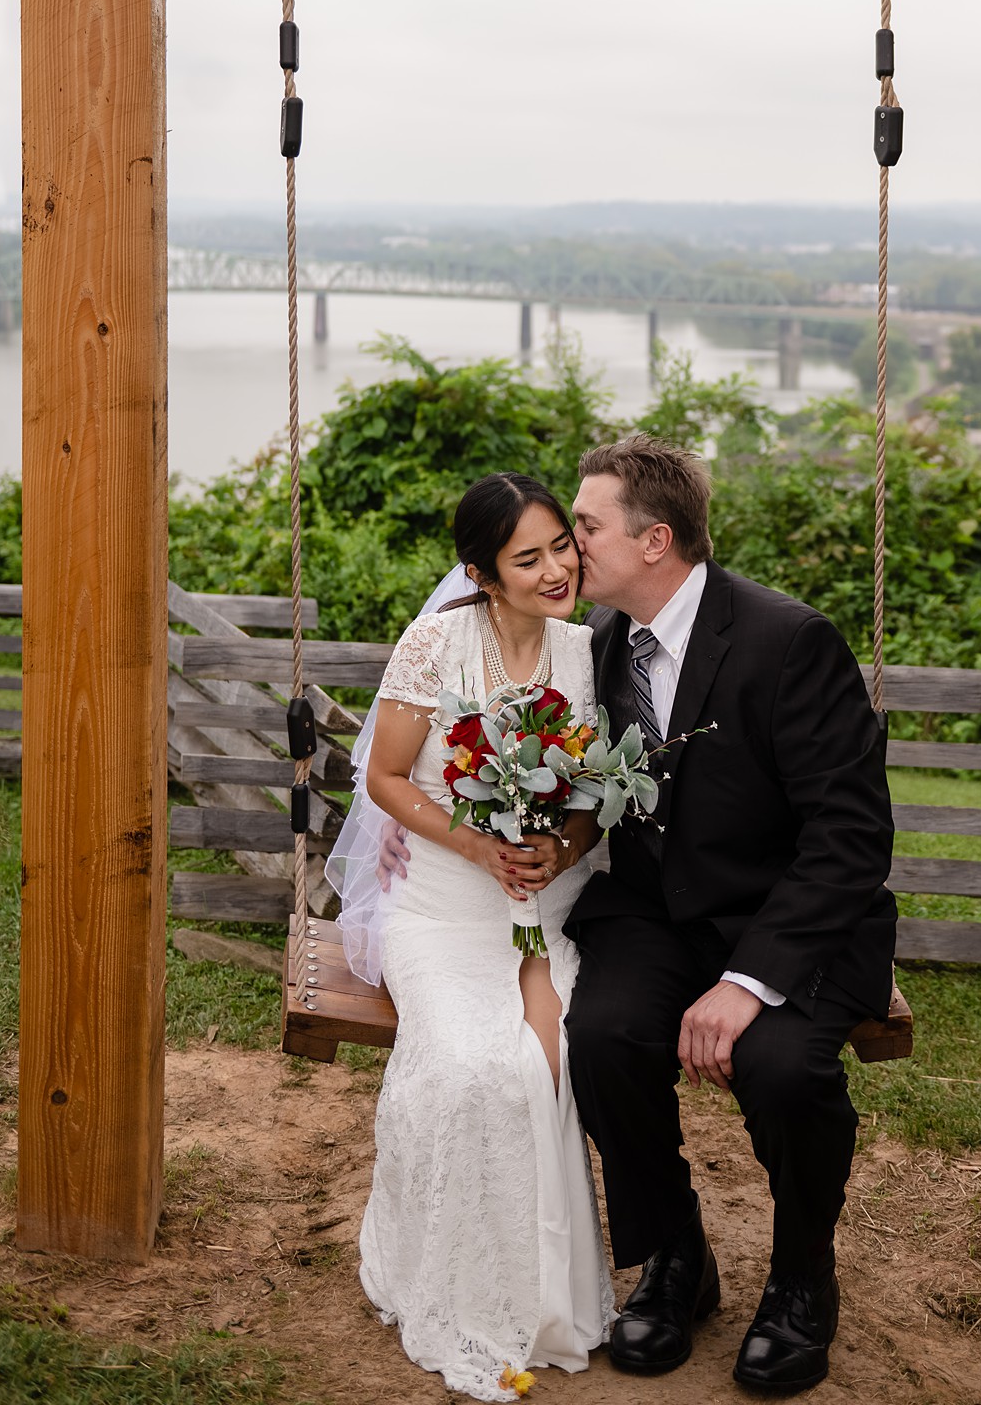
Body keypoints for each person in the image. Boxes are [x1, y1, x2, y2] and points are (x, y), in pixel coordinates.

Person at [562, 433, 896, 1393]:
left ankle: (800, 1278)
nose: (571, 544)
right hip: (653, 914)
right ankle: (675, 1255)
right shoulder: (603, 645)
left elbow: (850, 838)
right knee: (605, 1035)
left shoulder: (787, 641)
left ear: (654, 539)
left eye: (587, 527)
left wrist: (748, 983)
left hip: (789, 917)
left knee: (784, 1068)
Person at [331, 472, 614, 1402]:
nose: (556, 569)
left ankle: (547, 1297)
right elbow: (387, 778)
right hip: (444, 905)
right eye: (526, 558)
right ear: (481, 574)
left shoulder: (587, 653)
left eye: (560, 548)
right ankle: (448, 1281)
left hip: (547, 899)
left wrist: (558, 846)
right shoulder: (435, 644)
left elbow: (598, 800)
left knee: (547, 1057)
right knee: (462, 1065)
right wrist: (478, 843)